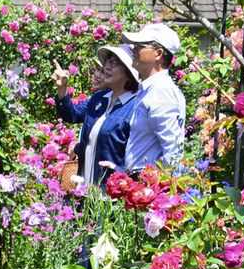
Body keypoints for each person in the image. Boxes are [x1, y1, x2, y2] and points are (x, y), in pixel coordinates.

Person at [52, 44, 140, 187]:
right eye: (108, 62)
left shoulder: (136, 107)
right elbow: (71, 115)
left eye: (115, 63)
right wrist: (62, 89)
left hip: (111, 197)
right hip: (85, 191)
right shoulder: (99, 99)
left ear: (129, 73)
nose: (107, 67)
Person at [121, 22, 186, 173]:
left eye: (140, 45)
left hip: (149, 185)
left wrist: (164, 191)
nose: (133, 49)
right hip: (142, 183)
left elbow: (172, 151)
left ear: (158, 53)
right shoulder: (150, 89)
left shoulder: (161, 92)